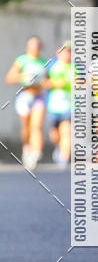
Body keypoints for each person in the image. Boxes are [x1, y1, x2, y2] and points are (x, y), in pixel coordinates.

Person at [5, 36, 48, 170]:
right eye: (32, 45)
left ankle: (36, 153)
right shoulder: (22, 60)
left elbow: (49, 81)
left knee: (37, 126)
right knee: (27, 127)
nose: (35, 48)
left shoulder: (44, 62)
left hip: (39, 96)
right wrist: (24, 76)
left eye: (37, 46)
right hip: (25, 96)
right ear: (27, 48)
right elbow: (10, 78)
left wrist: (45, 83)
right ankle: (27, 147)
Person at [46, 42, 73, 167]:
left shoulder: (76, 67)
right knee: (54, 134)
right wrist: (56, 83)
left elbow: (85, 82)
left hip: (70, 106)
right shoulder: (51, 66)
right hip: (54, 105)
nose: (67, 54)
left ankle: (63, 159)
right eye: (65, 52)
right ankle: (59, 147)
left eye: (69, 52)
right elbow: (43, 82)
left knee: (66, 132)